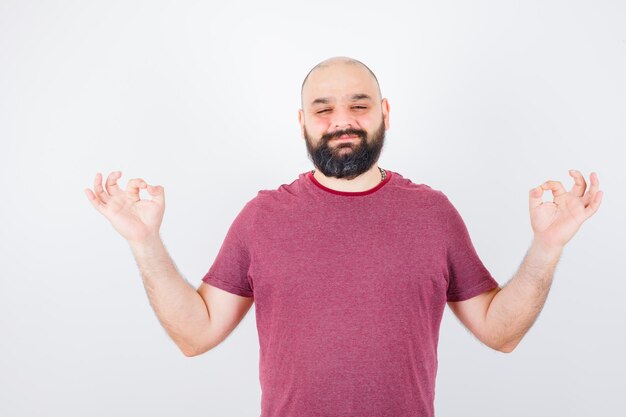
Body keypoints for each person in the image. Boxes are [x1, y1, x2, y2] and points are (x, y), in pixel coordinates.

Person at [84, 56, 604, 417]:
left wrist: (548, 245)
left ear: (385, 113)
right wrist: (145, 242)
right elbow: (195, 335)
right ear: (302, 122)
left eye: (359, 104)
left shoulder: (433, 213)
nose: (342, 121)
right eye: (323, 108)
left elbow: (500, 332)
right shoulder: (262, 217)